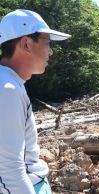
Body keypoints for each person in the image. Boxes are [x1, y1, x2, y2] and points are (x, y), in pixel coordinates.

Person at [0, 9, 71, 194]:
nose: (51, 52)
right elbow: (9, 171)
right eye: (48, 43)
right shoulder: (8, 90)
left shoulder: (9, 82)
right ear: (27, 44)